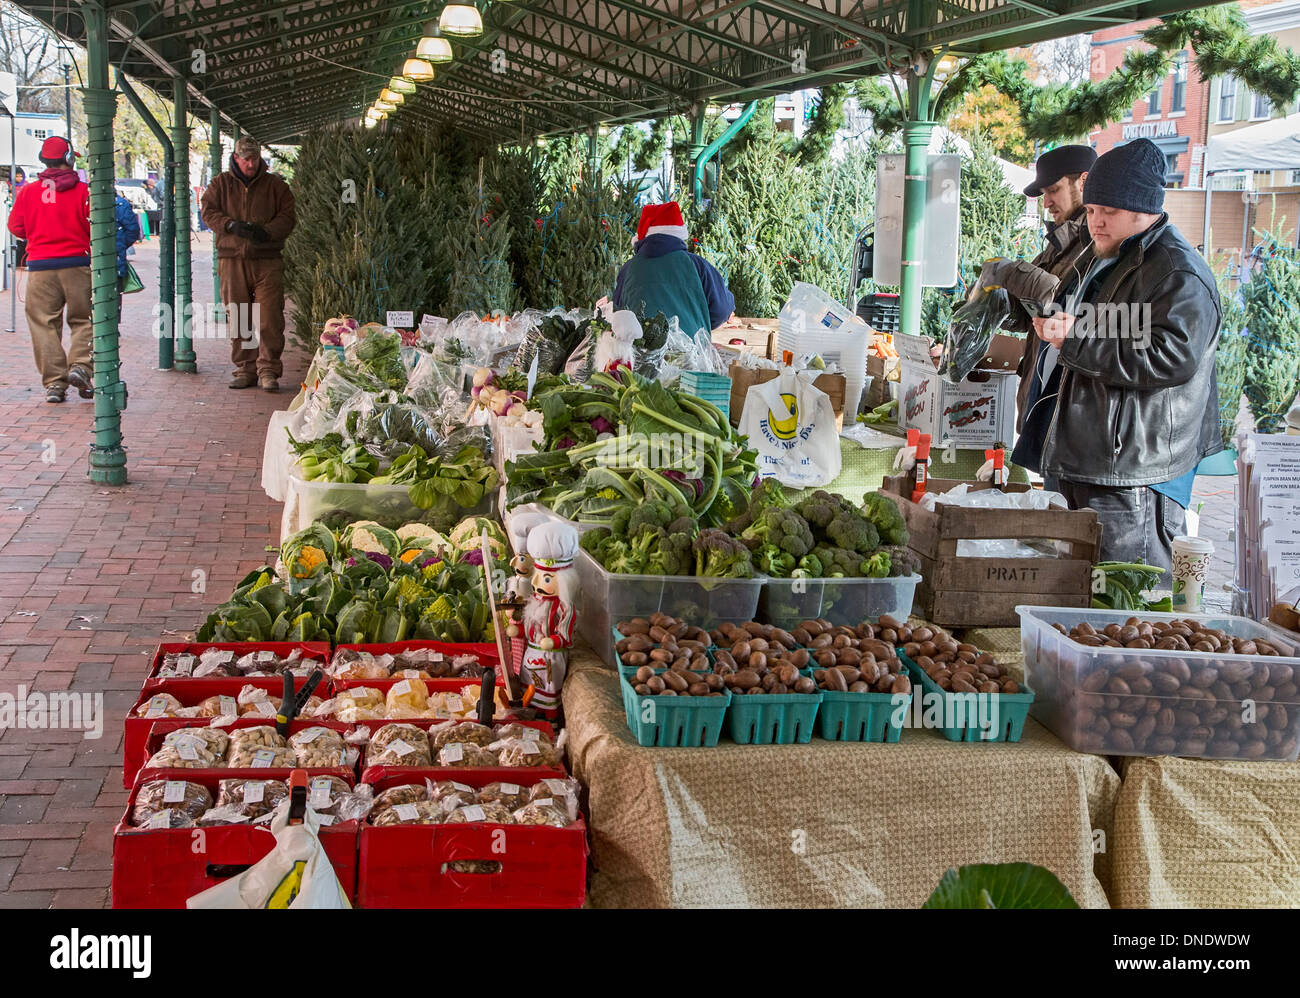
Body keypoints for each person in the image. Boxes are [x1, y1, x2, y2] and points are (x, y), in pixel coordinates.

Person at [1034, 138, 1222, 572]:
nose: (1095, 223)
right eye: (1093, 210)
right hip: (1092, 458)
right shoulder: (1110, 253)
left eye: (1109, 213)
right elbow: (1119, 326)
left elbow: (1170, 358)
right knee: (1081, 598)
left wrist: (1075, 339)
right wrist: (1056, 318)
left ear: (1146, 209)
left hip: (1136, 470)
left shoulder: (1178, 272)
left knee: (1130, 604)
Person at [980, 145, 1097, 489]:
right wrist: (997, 306)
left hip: (1070, 413)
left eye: (1053, 190)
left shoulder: (1096, 241)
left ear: (1084, 181)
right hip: (1043, 405)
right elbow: (1037, 316)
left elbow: (1061, 301)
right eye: (1044, 193)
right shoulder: (1059, 243)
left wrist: (1011, 271)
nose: (1046, 202)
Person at [201, 135, 296, 391]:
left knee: (269, 318)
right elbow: (207, 211)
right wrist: (229, 225)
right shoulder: (220, 184)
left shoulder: (275, 186)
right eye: (246, 159)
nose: (251, 164)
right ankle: (245, 368)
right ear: (236, 158)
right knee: (240, 316)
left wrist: (268, 232)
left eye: (254, 158)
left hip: (268, 259)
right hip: (232, 260)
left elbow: (288, 216)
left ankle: (268, 370)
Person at [7, 136, 92, 404]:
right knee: (85, 319)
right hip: (78, 264)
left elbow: (16, 227)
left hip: (40, 267)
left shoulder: (29, 192)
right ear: (69, 159)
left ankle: (55, 384)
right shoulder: (85, 192)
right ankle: (80, 366)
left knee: (43, 324)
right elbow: (96, 228)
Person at [613, 201, 734, 340]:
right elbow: (722, 310)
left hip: (639, 355)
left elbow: (618, 314)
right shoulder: (698, 265)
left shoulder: (628, 269)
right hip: (692, 356)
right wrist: (697, 324)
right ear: (679, 234)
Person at [114, 191, 141, 315]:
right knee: (114, 298)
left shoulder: (86, 202)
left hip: (85, 263)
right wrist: (119, 245)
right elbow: (133, 231)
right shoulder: (121, 204)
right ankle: (113, 328)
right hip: (116, 260)